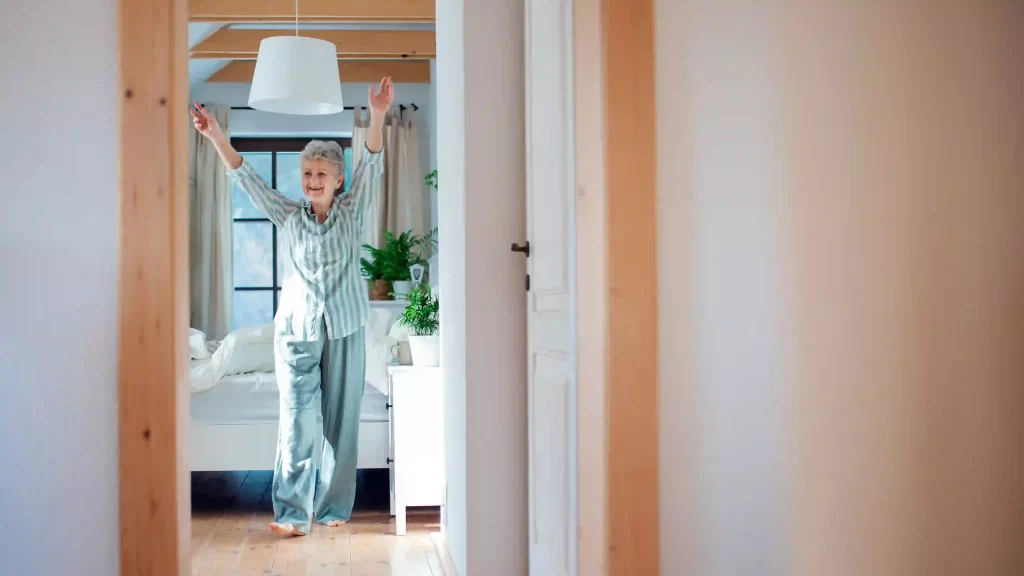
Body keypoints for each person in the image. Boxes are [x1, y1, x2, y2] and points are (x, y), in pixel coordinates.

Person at [191, 77, 394, 537]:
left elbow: (374, 163)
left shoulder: (353, 207)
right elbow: (247, 179)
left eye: (321, 173)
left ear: (338, 179)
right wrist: (216, 136)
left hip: (345, 327)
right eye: (306, 174)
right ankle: (290, 511)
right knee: (298, 420)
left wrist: (378, 114)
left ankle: (333, 505)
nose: (312, 181)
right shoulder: (287, 214)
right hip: (297, 332)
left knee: (341, 422)